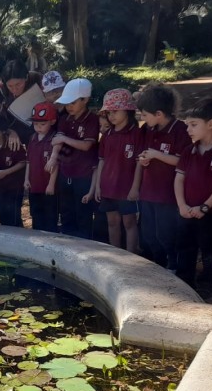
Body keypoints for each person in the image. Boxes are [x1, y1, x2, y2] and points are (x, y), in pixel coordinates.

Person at [174, 99, 212, 296]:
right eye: (187, 125)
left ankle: (208, 281)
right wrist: (182, 205)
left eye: (193, 125)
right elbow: (179, 179)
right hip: (186, 209)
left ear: (211, 124)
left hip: (210, 211)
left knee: (209, 247)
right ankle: (185, 280)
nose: (188, 130)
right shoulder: (188, 151)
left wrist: (205, 207)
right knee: (185, 246)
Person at [137, 84, 190, 271]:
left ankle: (173, 266)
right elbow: (144, 153)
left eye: (145, 115)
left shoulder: (180, 130)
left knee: (166, 234)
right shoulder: (148, 129)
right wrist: (144, 158)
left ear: (158, 114)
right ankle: (158, 265)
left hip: (168, 194)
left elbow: (183, 161)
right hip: (147, 192)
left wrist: (156, 155)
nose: (142, 119)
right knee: (148, 234)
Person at [46, 78, 99, 239]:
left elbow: (86, 145)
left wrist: (64, 139)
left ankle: (84, 246)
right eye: (66, 103)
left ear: (85, 100)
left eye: (73, 102)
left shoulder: (92, 119)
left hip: (84, 174)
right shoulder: (64, 119)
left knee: (83, 214)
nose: (69, 106)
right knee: (66, 212)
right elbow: (57, 140)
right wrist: (53, 156)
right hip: (65, 172)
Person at [91, 89, 143, 252]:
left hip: (127, 187)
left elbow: (139, 163)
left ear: (127, 110)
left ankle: (131, 255)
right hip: (108, 187)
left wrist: (135, 188)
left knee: (129, 222)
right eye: (108, 112)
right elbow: (101, 161)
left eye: (115, 111)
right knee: (112, 221)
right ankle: (116, 255)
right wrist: (98, 186)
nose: (111, 116)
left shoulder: (137, 134)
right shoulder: (107, 135)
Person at [0, 60, 41, 147]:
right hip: (10, 129)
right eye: (10, 86)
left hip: (38, 127)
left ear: (26, 77)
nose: (14, 89)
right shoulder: (1, 88)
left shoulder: (37, 79)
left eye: (18, 84)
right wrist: (9, 131)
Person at [25, 102, 59, 232]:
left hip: (48, 186)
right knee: (35, 215)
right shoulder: (32, 138)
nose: (38, 127)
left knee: (50, 217)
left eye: (42, 124)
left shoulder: (54, 139)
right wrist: (26, 179)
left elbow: (56, 164)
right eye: (35, 124)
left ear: (52, 121)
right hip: (34, 185)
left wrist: (51, 184)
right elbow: (28, 161)